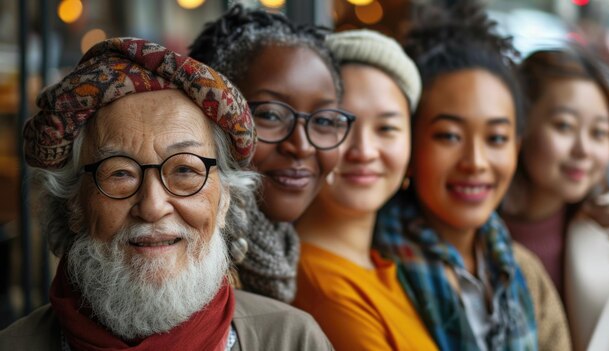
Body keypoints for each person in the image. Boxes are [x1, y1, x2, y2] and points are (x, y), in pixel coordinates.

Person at [0, 38, 332, 350]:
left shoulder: (292, 339)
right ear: (74, 203)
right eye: (120, 174)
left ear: (225, 198)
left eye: (185, 171)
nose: (153, 206)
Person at [373, 2, 571, 350]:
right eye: (449, 135)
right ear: (409, 142)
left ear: (517, 146)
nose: (475, 162)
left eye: (496, 138)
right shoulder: (373, 265)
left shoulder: (524, 272)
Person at [188, 4, 354, 303]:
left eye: (325, 120)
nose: (302, 146)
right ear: (210, 117)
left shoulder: (283, 252)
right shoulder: (184, 270)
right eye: (271, 115)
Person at [292, 29, 437, 351]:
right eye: (337, 124)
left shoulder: (386, 265)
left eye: (387, 128)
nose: (364, 151)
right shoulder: (321, 286)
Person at [505, 49, 609, 350]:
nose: (583, 150)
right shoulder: (466, 229)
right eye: (564, 126)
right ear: (520, 126)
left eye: (599, 133)